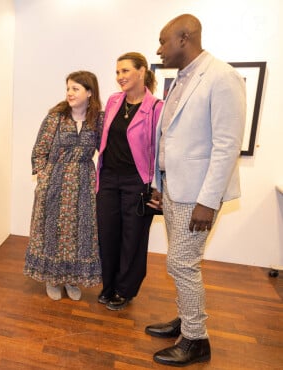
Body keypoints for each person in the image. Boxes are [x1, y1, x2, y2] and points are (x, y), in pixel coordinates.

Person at [145, 14, 246, 367]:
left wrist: (208, 200)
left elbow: (226, 145)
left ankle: (196, 339)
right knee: (179, 262)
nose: (159, 49)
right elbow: (170, 138)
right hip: (175, 188)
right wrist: (161, 183)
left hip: (199, 195)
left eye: (163, 41)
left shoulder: (222, 77)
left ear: (185, 38)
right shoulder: (181, 80)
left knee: (181, 264)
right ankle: (184, 320)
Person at [24, 71, 103, 301]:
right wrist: (44, 175)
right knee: (52, 230)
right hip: (55, 181)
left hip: (83, 184)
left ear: (89, 92)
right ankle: (53, 278)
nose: (70, 93)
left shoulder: (98, 119)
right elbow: (39, 150)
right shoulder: (56, 117)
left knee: (79, 232)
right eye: (68, 88)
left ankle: (71, 279)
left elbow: (107, 148)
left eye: (76, 88)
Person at [96, 52, 163, 311]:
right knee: (108, 234)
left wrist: (157, 186)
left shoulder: (156, 107)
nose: (120, 77)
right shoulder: (114, 101)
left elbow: (160, 150)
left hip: (138, 181)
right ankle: (109, 285)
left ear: (142, 71)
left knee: (133, 237)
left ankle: (125, 290)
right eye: (117, 72)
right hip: (109, 178)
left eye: (125, 71)